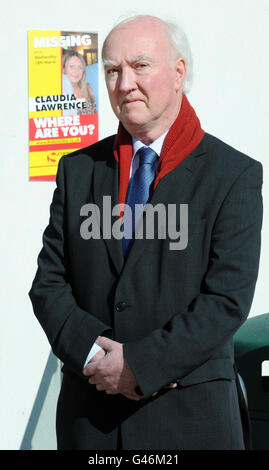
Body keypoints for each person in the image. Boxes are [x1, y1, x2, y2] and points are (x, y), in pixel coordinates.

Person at [29, 15, 263, 450]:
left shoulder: (233, 175)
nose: (124, 83)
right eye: (113, 70)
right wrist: (93, 354)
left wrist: (138, 364)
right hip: (91, 423)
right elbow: (48, 285)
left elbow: (226, 300)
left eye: (140, 66)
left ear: (178, 73)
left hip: (191, 423)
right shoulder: (78, 170)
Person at [62, 50, 96, 114]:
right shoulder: (57, 93)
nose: (76, 71)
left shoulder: (87, 89)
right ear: (63, 69)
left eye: (80, 67)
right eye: (72, 66)